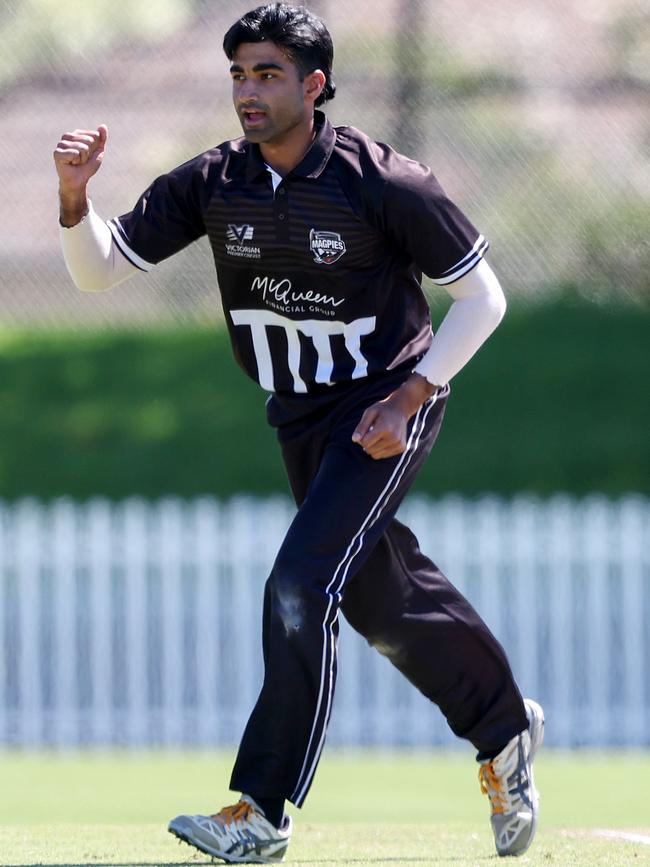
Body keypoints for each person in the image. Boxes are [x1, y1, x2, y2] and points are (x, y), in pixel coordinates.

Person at [54, 3, 544, 862]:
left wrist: (411, 396)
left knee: (298, 585)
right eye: (239, 74)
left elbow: (484, 299)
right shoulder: (214, 181)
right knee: (376, 592)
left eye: (268, 73)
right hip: (300, 418)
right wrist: (73, 198)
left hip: (384, 410)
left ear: (314, 86)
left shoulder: (381, 179)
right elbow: (100, 272)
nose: (248, 91)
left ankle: (261, 808)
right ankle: (504, 726)